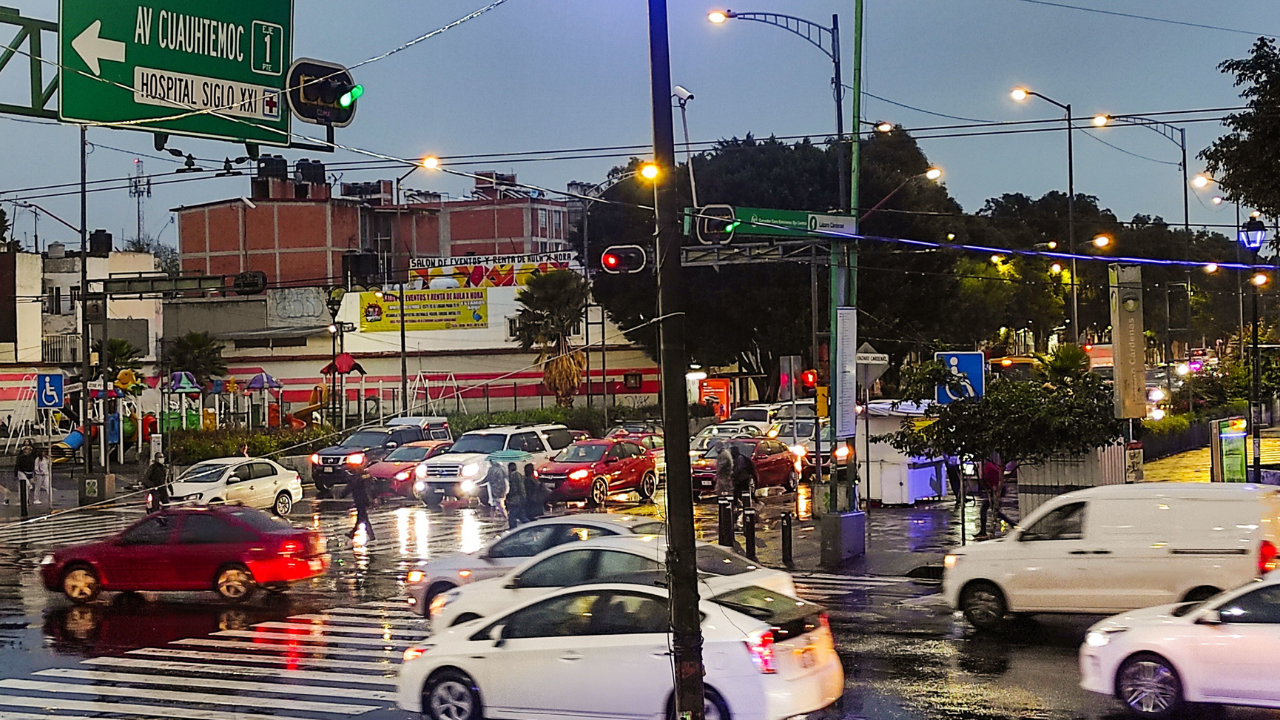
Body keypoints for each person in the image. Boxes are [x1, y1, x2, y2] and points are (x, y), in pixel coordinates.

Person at [342, 474, 375, 541]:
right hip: (363, 498)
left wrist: (343, 494)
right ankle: (352, 533)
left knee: (364, 518)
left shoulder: (355, 477)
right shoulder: (363, 477)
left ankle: (371, 535)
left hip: (359, 499)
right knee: (361, 517)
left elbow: (350, 487)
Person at [504, 463, 527, 529]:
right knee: (521, 516)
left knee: (512, 517)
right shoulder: (517, 475)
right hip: (516, 500)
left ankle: (513, 531)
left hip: (515, 500)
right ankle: (532, 526)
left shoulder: (514, 476)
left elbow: (519, 488)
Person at [14, 445, 35, 509]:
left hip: (29, 473)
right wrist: (15, 474)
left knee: (26, 489)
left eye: (29, 450)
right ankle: (21, 500)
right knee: (27, 484)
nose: (28, 451)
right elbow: (17, 465)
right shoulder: (20, 457)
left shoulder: (32, 457)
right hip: (21, 472)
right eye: (27, 450)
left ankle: (26, 500)